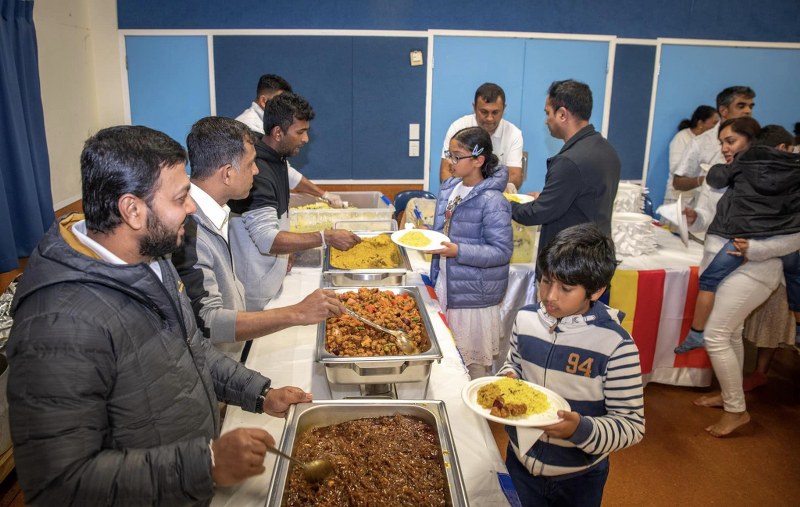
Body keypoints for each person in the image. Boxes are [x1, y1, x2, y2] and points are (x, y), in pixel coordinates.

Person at [5, 125, 312, 505]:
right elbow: (60, 485)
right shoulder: (58, 326)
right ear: (132, 210)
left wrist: (260, 393)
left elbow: (191, 349)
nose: (191, 207)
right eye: (181, 197)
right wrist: (206, 464)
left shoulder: (152, 258)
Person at [172, 116, 344, 361]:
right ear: (228, 173)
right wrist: (296, 313)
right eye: (251, 163)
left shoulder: (216, 212)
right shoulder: (187, 228)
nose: (256, 170)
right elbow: (207, 320)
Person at [498, 223, 644, 507]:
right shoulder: (526, 319)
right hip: (519, 460)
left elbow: (631, 425)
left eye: (566, 288)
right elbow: (513, 362)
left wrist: (580, 429)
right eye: (545, 281)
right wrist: (508, 376)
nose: (550, 296)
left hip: (578, 476)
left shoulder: (616, 346)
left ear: (596, 290)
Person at [676, 123, 800, 355]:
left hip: (755, 268)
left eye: (730, 141)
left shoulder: (780, 178)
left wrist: (755, 248)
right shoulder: (729, 171)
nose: (724, 148)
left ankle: (730, 388)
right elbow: (709, 217)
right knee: (730, 334)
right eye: (721, 142)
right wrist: (694, 218)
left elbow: (793, 238)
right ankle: (731, 390)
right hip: (720, 253)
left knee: (717, 336)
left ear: (752, 144)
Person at [229, 92, 360, 310]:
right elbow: (267, 240)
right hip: (257, 291)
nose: (306, 139)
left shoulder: (277, 157)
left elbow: (278, 219)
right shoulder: (258, 171)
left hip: (272, 278)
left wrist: (287, 250)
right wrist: (325, 237)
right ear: (278, 132)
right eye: (300, 132)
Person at [430, 126, 513, 378]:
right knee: (449, 362)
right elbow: (449, 228)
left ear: (478, 160)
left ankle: (477, 416)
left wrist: (458, 251)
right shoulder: (450, 187)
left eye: (457, 156)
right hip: (448, 283)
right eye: (449, 154)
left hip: (473, 298)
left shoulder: (493, 201)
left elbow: (501, 251)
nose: (450, 162)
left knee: (473, 367)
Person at [511, 79, 621, 258]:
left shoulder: (569, 161)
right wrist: (548, 198)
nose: (546, 120)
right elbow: (585, 200)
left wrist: (505, 205)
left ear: (562, 114)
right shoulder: (607, 150)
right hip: (596, 257)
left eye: (548, 113)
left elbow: (537, 214)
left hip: (570, 262)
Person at [235, 74, 344, 207]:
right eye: (280, 100)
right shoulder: (247, 128)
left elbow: (284, 170)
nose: (305, 139)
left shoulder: (273, 153)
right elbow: (287, 173)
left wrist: (323, 194)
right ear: (277, 133)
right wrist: (323, 194)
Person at [672, 86, 755, 203]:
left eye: (751, 106)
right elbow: (678, 182)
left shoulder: (756, 140)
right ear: (723, 111)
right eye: (741, 106)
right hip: (706, 213)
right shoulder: (700, 142)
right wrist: (706, 179)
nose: (748, 111)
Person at [438, 82, 524, 191]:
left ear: (504, 109)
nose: (489, 118)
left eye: (495, 112)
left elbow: (515, 175)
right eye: (484, 112)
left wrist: (484, 194)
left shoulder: (513, 133)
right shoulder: (458, 127)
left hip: (495, 197)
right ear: (474, 107)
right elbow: (446, 170)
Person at [664, 105, 719, 205]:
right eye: (714, 123)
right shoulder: (682, 137)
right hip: (678, 199)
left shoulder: (709, 142)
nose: (717, 127)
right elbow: (675, 168)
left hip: (697, 198)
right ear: (700, 123)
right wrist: (699, 168)